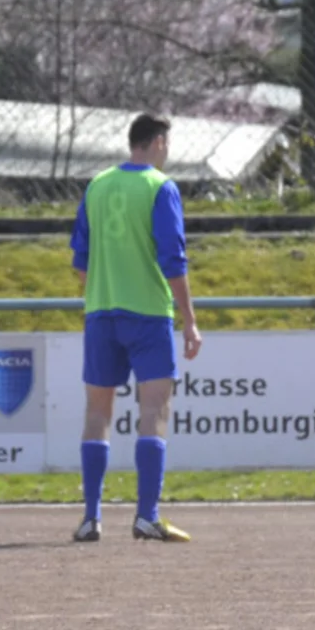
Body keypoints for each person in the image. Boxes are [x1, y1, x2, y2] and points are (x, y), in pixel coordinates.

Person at [69, 112, 203, 544]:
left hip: (101, 313)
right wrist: (190, 319)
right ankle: (147, 515)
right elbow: (173, 259)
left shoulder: (97, 186)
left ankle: (91, 518)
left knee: (96, 413)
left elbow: (80, 261)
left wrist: (102, 295)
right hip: (148, 313)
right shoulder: (160, 187)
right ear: (158, 142)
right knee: (154, 411)